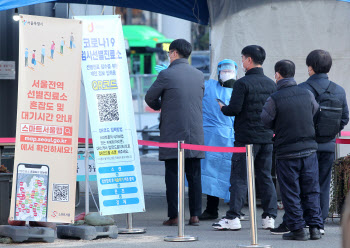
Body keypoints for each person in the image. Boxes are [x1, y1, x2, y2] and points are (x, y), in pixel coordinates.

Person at [213, 45, 277, 231]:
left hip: (246, 138)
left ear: (249, 60)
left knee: (240, 177)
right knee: (265, 176)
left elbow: (233, 109)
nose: (241, 62)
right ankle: (269, 217)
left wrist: (222, 107)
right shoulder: (271, 84)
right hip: (267, 137)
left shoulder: (242, 83)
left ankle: (233, 217)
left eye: (242, 59)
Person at [145, 39, 205, 226]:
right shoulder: (199, 75)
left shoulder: (166, 74)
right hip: (195, 132)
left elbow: (149, 97)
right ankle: (195, 215)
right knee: (194, 175)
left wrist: (162, 105)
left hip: (173, 132)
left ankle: (175, 215)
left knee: (172, 175)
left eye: (169, 52)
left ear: (174, 53)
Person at [261, 60, 323, 241]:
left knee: (291, 192)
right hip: (309, 150)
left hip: (287, 152)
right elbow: (315, 110)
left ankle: (297, 229)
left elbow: (265, 120)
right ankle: (315, 228)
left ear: (278, 74)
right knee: (311, 190)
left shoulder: (274, 98)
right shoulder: (307, 93)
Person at [299, 50, 349, 234]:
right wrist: (331, 132)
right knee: (323, 183)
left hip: (306, 145)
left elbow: (300, 118)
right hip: (328, 144)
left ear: (310, 68)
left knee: (305, 182)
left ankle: (306, 220)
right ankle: (319, 222)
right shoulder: (339, 90)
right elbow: (344, 117)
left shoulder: (303, 89)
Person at [199, 59, 236, 220]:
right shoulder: (209, 86)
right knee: (211, 174)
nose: (226, 73)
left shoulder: (240, 88)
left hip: (228, 137)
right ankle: (212, 208)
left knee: (232, 174)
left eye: (229, 70)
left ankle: (234, 209)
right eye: (224, 70)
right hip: (214, 138)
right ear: (218, 71)